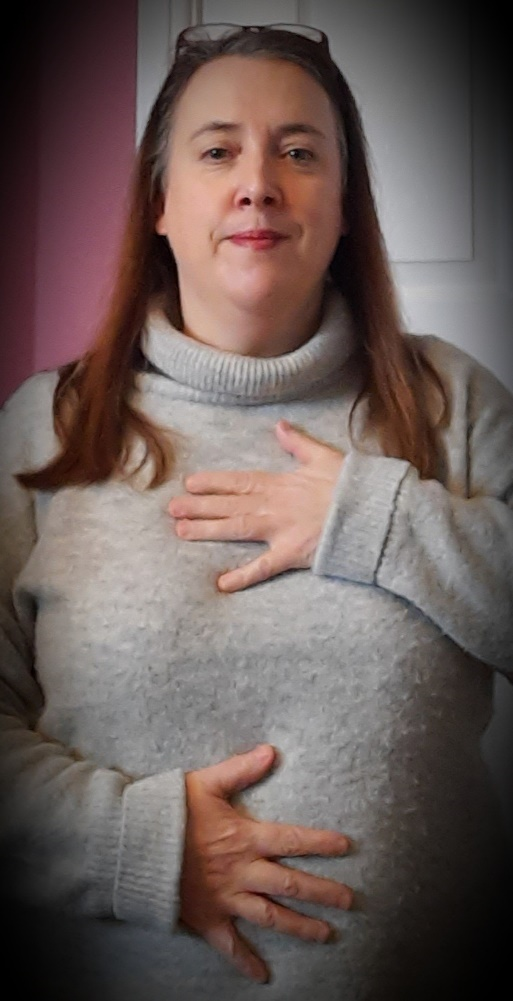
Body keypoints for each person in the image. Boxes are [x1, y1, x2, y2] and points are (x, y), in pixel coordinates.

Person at [0, 21, 512, 1001]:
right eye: (219, 148)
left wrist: (380, 521)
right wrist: (139, 848)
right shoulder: (44, 428)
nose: (259, 182)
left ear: (345, 206)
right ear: (160, 202)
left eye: (301, 152)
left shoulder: (454, 404)